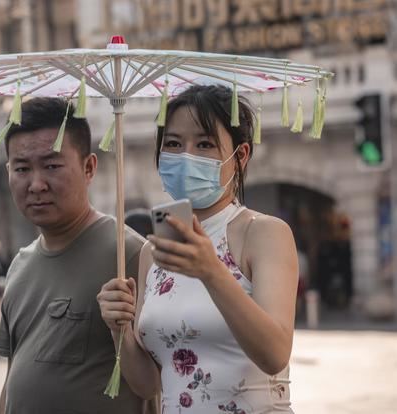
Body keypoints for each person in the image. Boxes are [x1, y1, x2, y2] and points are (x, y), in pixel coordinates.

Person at [98, 85, 298, 413]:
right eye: (174, 144)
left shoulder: (263, 233)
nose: (186, 155)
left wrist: (211, 271)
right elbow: (149, 384)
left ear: (241, 155)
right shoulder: (153, 252)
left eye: (204, 144)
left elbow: (275, 354)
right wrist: (118, 329)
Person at [0, 98, 153, 413]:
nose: (36, 184)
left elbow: (156, 383)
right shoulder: (20, 265)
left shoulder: (130, 255)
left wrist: (121, 330)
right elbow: (13, 376)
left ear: (89, 167)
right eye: (22, 168)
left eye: (52, 166)